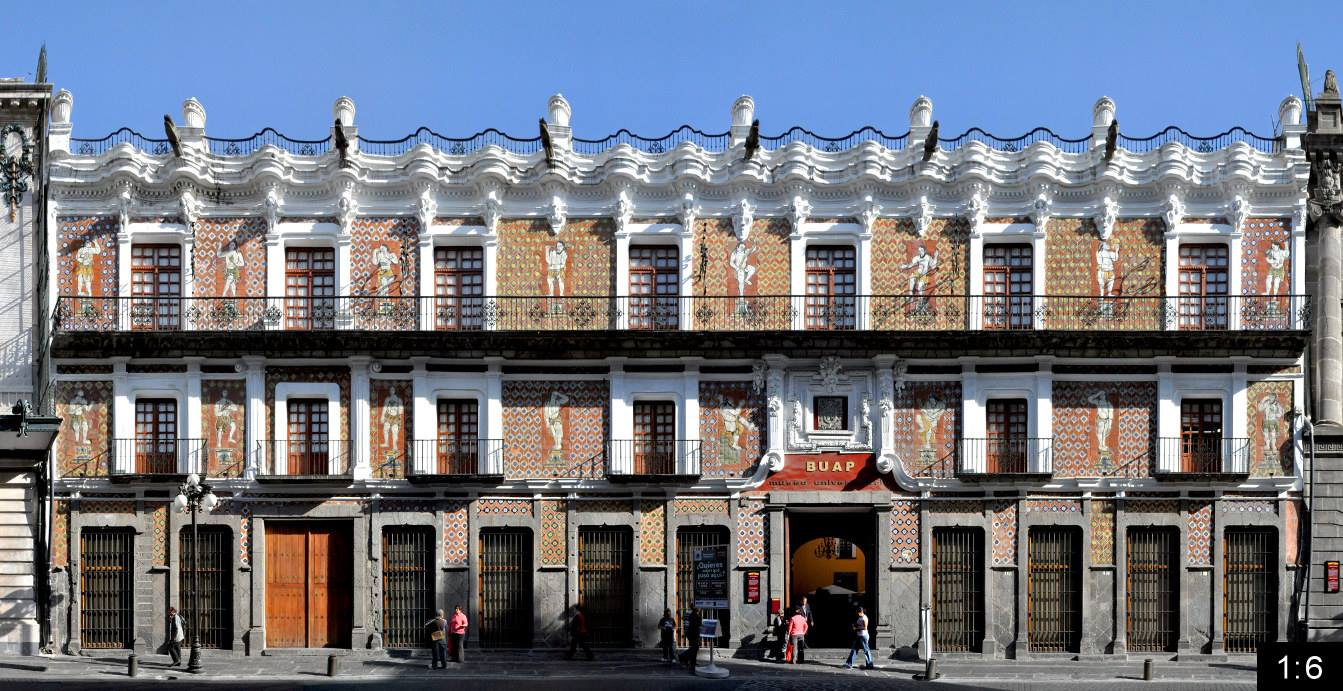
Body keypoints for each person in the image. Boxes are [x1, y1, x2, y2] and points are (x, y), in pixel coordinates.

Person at [843, 606, 874, 670]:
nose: (857, 613)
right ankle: (849, 664)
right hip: (859, 635)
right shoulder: (860, 617)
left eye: (857, 612)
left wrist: (856, 628)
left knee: (866, 650)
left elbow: (865, 628)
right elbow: (859, 625)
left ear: (861, 612)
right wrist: (855, 625)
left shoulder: (864, 618)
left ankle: (870, 665)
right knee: (854, 649)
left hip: (863, 636)